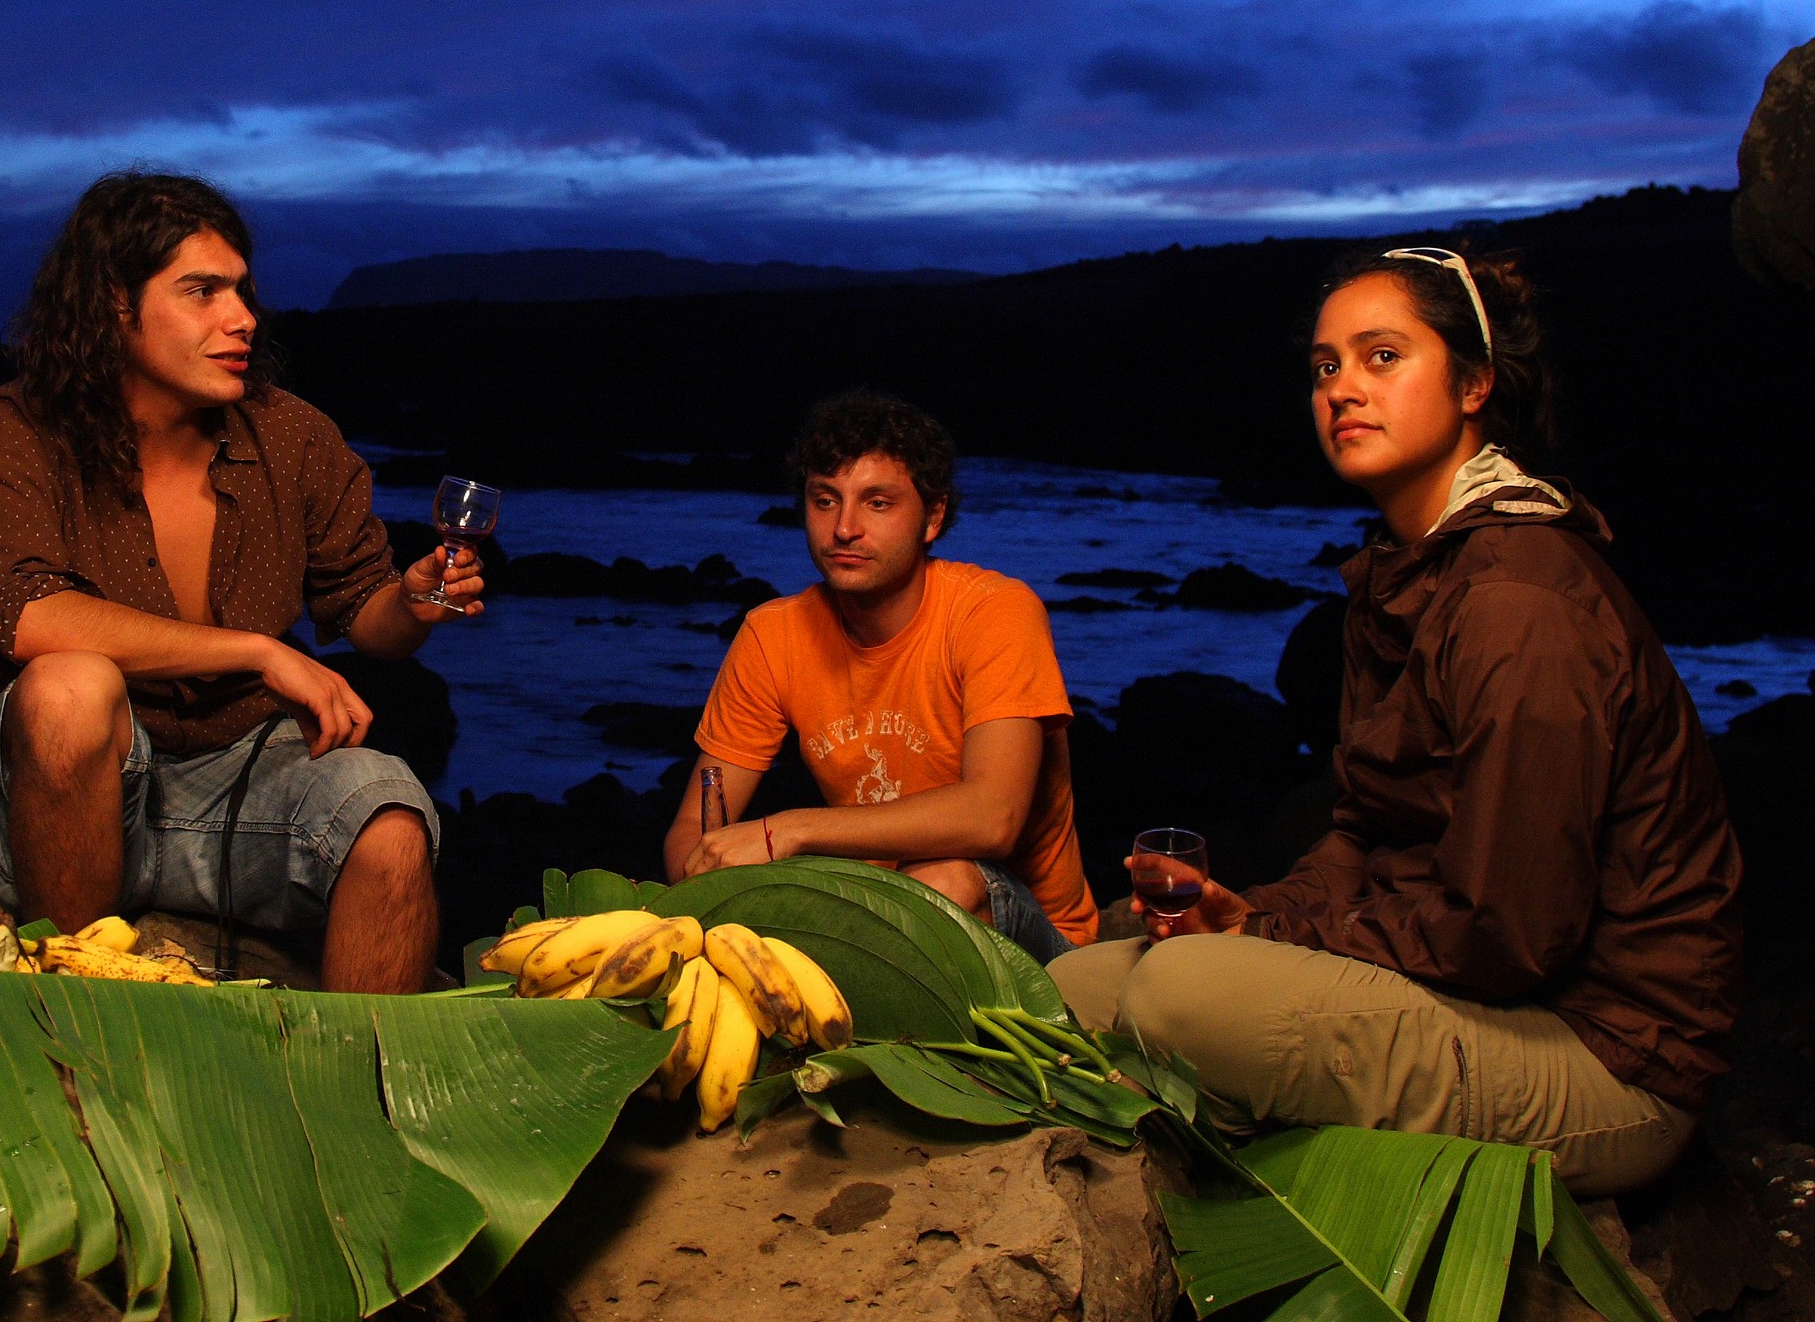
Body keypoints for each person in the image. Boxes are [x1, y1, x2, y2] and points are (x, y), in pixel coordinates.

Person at [1048, 246, 1744, 1194]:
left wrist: (1270, 946)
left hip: (1606, 1055)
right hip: (1470, 986)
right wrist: (1256, 912)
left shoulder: (1517, 601)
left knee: (1177, 993)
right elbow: (1367, 832)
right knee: (1069, 991)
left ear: (1473, 384)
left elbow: (1506, 933)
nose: (1342, 389)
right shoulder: (1405, 576)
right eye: (1326, 366)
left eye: (1382, 357)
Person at [0, 171, 483, 993]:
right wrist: (255, 651)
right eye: (201, 291)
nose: (241, 318)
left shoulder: (293, 436)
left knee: (391, 814)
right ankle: (74, 1021)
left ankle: (361, 1100)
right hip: (76, 780)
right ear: (112, 306)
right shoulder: (21, 427)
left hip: (240, 783)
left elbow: (364, 615)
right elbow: (24, 616)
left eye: (241, 290)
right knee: (69, 688)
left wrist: (412, 602)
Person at [661, 390, 1101, 960]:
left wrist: (786, 831)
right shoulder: (773, 636)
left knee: (945, 878)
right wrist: (715, 879)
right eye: (825, 501)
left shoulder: (994, 611)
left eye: (877, 503)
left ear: (932, 517)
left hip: (1039, 938)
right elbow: (690, 833)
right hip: (872, 921)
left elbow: (996, 818)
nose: (844, 529)